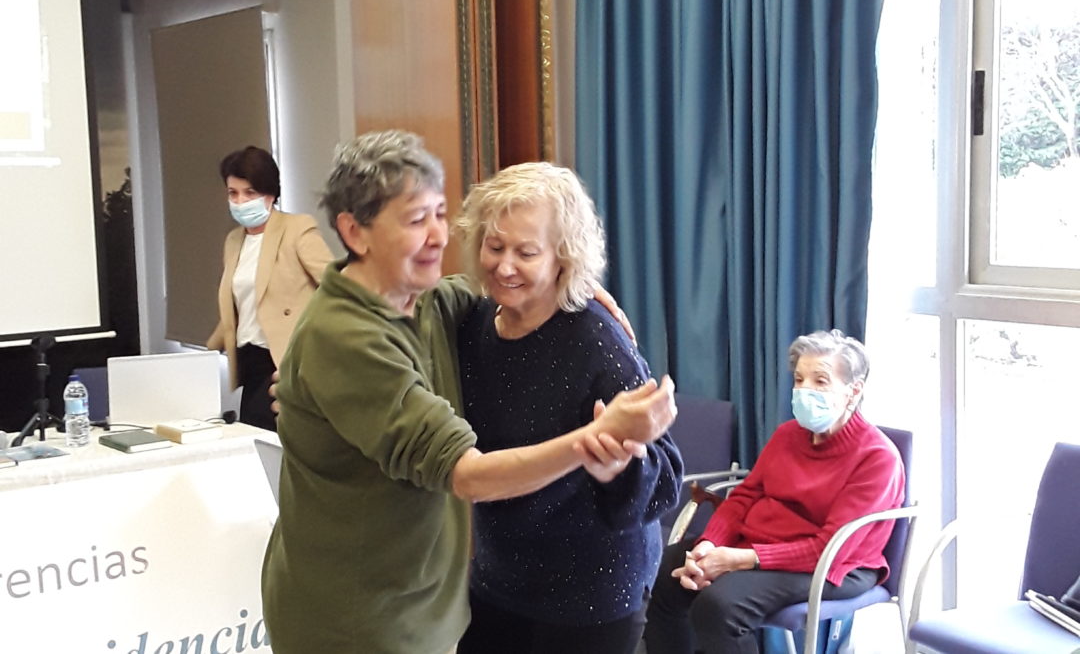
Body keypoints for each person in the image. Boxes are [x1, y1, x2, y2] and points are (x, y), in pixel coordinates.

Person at [260, 130, 677, 654]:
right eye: (416, 221)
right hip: (374, 611)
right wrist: (592, 439)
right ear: (355, 232)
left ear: (561, 256)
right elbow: (467, 474)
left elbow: (663, 477)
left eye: (439, 214)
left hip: (582, 603)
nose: (438, 236)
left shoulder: (453, 306)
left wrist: (576, 285)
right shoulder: (374, 334)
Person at [453, 162, 685, 654]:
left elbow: (666, 480)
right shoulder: (472, 324)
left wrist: (621, 467)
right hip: (501, 578)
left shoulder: (599, 342)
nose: (505, 266)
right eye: (495, 247)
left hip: (592, 596)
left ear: (563, 258)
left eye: (526, 252)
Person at [644, 329, 904, 654]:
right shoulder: (787, 435)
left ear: (853, 391)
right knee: (658, 573)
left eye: (820, 381)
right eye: (799, 379)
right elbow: (743, 498)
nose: (804, 390)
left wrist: (738, 560)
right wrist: (710, 544)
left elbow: (829, 547)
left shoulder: (877, 457)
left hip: (836, 565)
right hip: (761, 545)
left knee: (720, 607)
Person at [206, 146, 333, 430]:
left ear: (270, 193)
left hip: (284, 360)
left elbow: (336, 287)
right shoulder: (233, 241)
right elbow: (239, 307)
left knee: (274, 446)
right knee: (253, 442)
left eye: (250, 193)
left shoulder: (297, 228)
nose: (240, 201)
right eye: (233, 193)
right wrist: (206, 352)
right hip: (249, 359)